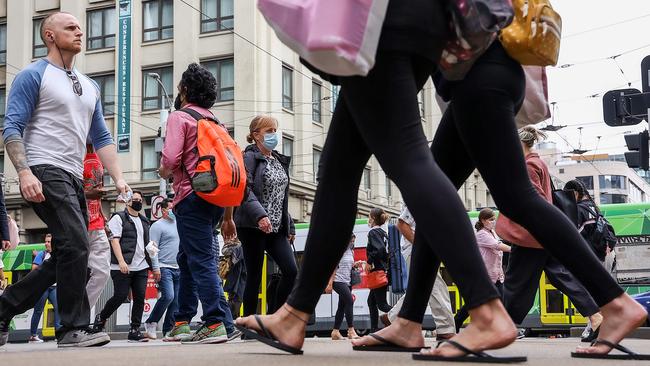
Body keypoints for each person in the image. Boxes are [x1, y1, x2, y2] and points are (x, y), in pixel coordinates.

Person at [356, 40, 646, 359]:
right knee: (434, 199)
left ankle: (611, 304)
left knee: (513, 198)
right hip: (475, 73)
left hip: (475, 73)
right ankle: (409, 321)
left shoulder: (532, 160)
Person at [0, 12, 129, 348]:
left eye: (79, 27)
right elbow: (12, 128)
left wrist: (119, 179)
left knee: (67, 253)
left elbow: (101, 136)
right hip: (43, 169)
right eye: (70, 27)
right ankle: (72, 328)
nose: (80, 31)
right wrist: (24, 171)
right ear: (49, 36)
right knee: (78, 244)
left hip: (73, 177)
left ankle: (3, 309)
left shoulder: (90, 86)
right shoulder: (33, 75)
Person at [496, 127, 604, 343]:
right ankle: (595, 315)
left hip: (529, 235)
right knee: (560, 276)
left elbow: (533, 201)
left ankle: (499, 326)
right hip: (543, 234)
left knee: (515, 283)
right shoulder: (539, 163)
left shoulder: (528, 165)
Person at [159, 63, 236, 344]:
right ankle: (182, 321)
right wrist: (229, 216)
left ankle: (216, 322)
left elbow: (170, 160)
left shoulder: (180, 117)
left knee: (201, 259)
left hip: (190, 197)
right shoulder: (216, 122)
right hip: (215, 198)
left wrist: (163, 172)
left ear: (185, 89)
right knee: (187, 258)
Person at [235, 115, 298, 317]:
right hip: (253, 226)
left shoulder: (278, 160)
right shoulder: (249, 157)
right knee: (254, 275)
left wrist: (290, 226)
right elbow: (245, 189)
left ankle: (274, 318)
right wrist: (260, 216)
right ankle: (248, 324)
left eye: (275, 130)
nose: (274, 134)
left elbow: (281, 197)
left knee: (291, 271)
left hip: (276, 228)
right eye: (269, 131)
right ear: (256, 135)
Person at [386, 204, 456, 340]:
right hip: (416, 250)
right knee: (436, 287)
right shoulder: (420, 197)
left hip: (420, 250)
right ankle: (445, 329)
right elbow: (402, 224)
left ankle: (393, 317)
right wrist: (420, 247)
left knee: (420, 289)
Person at [94, 191, 151, 343]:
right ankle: (101, 318)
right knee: (120, 295)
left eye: (140, 199)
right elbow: (114, 240)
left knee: (139, 297)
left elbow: (146, 242)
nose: (138, 201)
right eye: (135, 199)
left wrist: (152, 256)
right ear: (128, 202)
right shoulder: (119, 217)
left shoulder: (145, 220)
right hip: (122, 265)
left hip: (141, 265)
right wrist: (121, 261)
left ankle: (134, 330)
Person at [455, 209, 510, 332]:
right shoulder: (482, 234)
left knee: (500, 303)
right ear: (483, 221)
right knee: (476, 303)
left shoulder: (492, 233)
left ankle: (498, 330)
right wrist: (514, 250)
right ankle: (456, 322)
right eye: (491, 219)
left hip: (497, 276)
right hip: (485, 276)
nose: (493, 221)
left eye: (494, 219)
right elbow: (497, 246)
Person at [144, 199, 180, 340]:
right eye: (171, 208)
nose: (173, 211)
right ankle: (151, 322)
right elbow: (152, 248)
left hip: (179, 267)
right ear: (163, 210)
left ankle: (168, 330)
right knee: (168, 296)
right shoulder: (157, 226)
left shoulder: (179, 223)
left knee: (176, 301)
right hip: (164, 267)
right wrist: (156, 267)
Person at [83, 143, 111, 310]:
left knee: (102, 273)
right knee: (75, 274)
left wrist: (102, 214)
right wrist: (89, 194)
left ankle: (82, 313)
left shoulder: (100, 156)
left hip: (97, 224)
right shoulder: (75, 154)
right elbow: (68, 190)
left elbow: (96, 189)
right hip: (79, 224)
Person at [364, 208, 392, 333]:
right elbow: (385, 251)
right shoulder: (383, 233)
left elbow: (379, 249)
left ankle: (405, 319)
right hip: (383, 270)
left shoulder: (373, 232)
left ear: (373, 219)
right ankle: (374, 329)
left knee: (382, 304)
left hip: (378, 272)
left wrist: (369, 261)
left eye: (369, 216)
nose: (368, 219)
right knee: (371, 301)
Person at [29, 234, 61, 343]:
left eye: (49, 241)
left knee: (58, 309)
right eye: (46, 241)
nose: (46, 243)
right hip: (42, 287)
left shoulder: (57, 254)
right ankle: (33, 335)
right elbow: (33, 269)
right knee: (38, 310)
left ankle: (59, 334)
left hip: (54, 287)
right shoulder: (42, 254)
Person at [328, 234, 360, 340]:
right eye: (351, 241)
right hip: (338, 280)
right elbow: (333, 268)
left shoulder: (351, 251)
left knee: (341, 306)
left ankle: (335, 332)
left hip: (347, 281)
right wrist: (330, 283)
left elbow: (348, 265)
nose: (352, 243)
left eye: (353, 242)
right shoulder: (338, 251)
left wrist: (356, 264)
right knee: (349, 301)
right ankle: (351, 331)